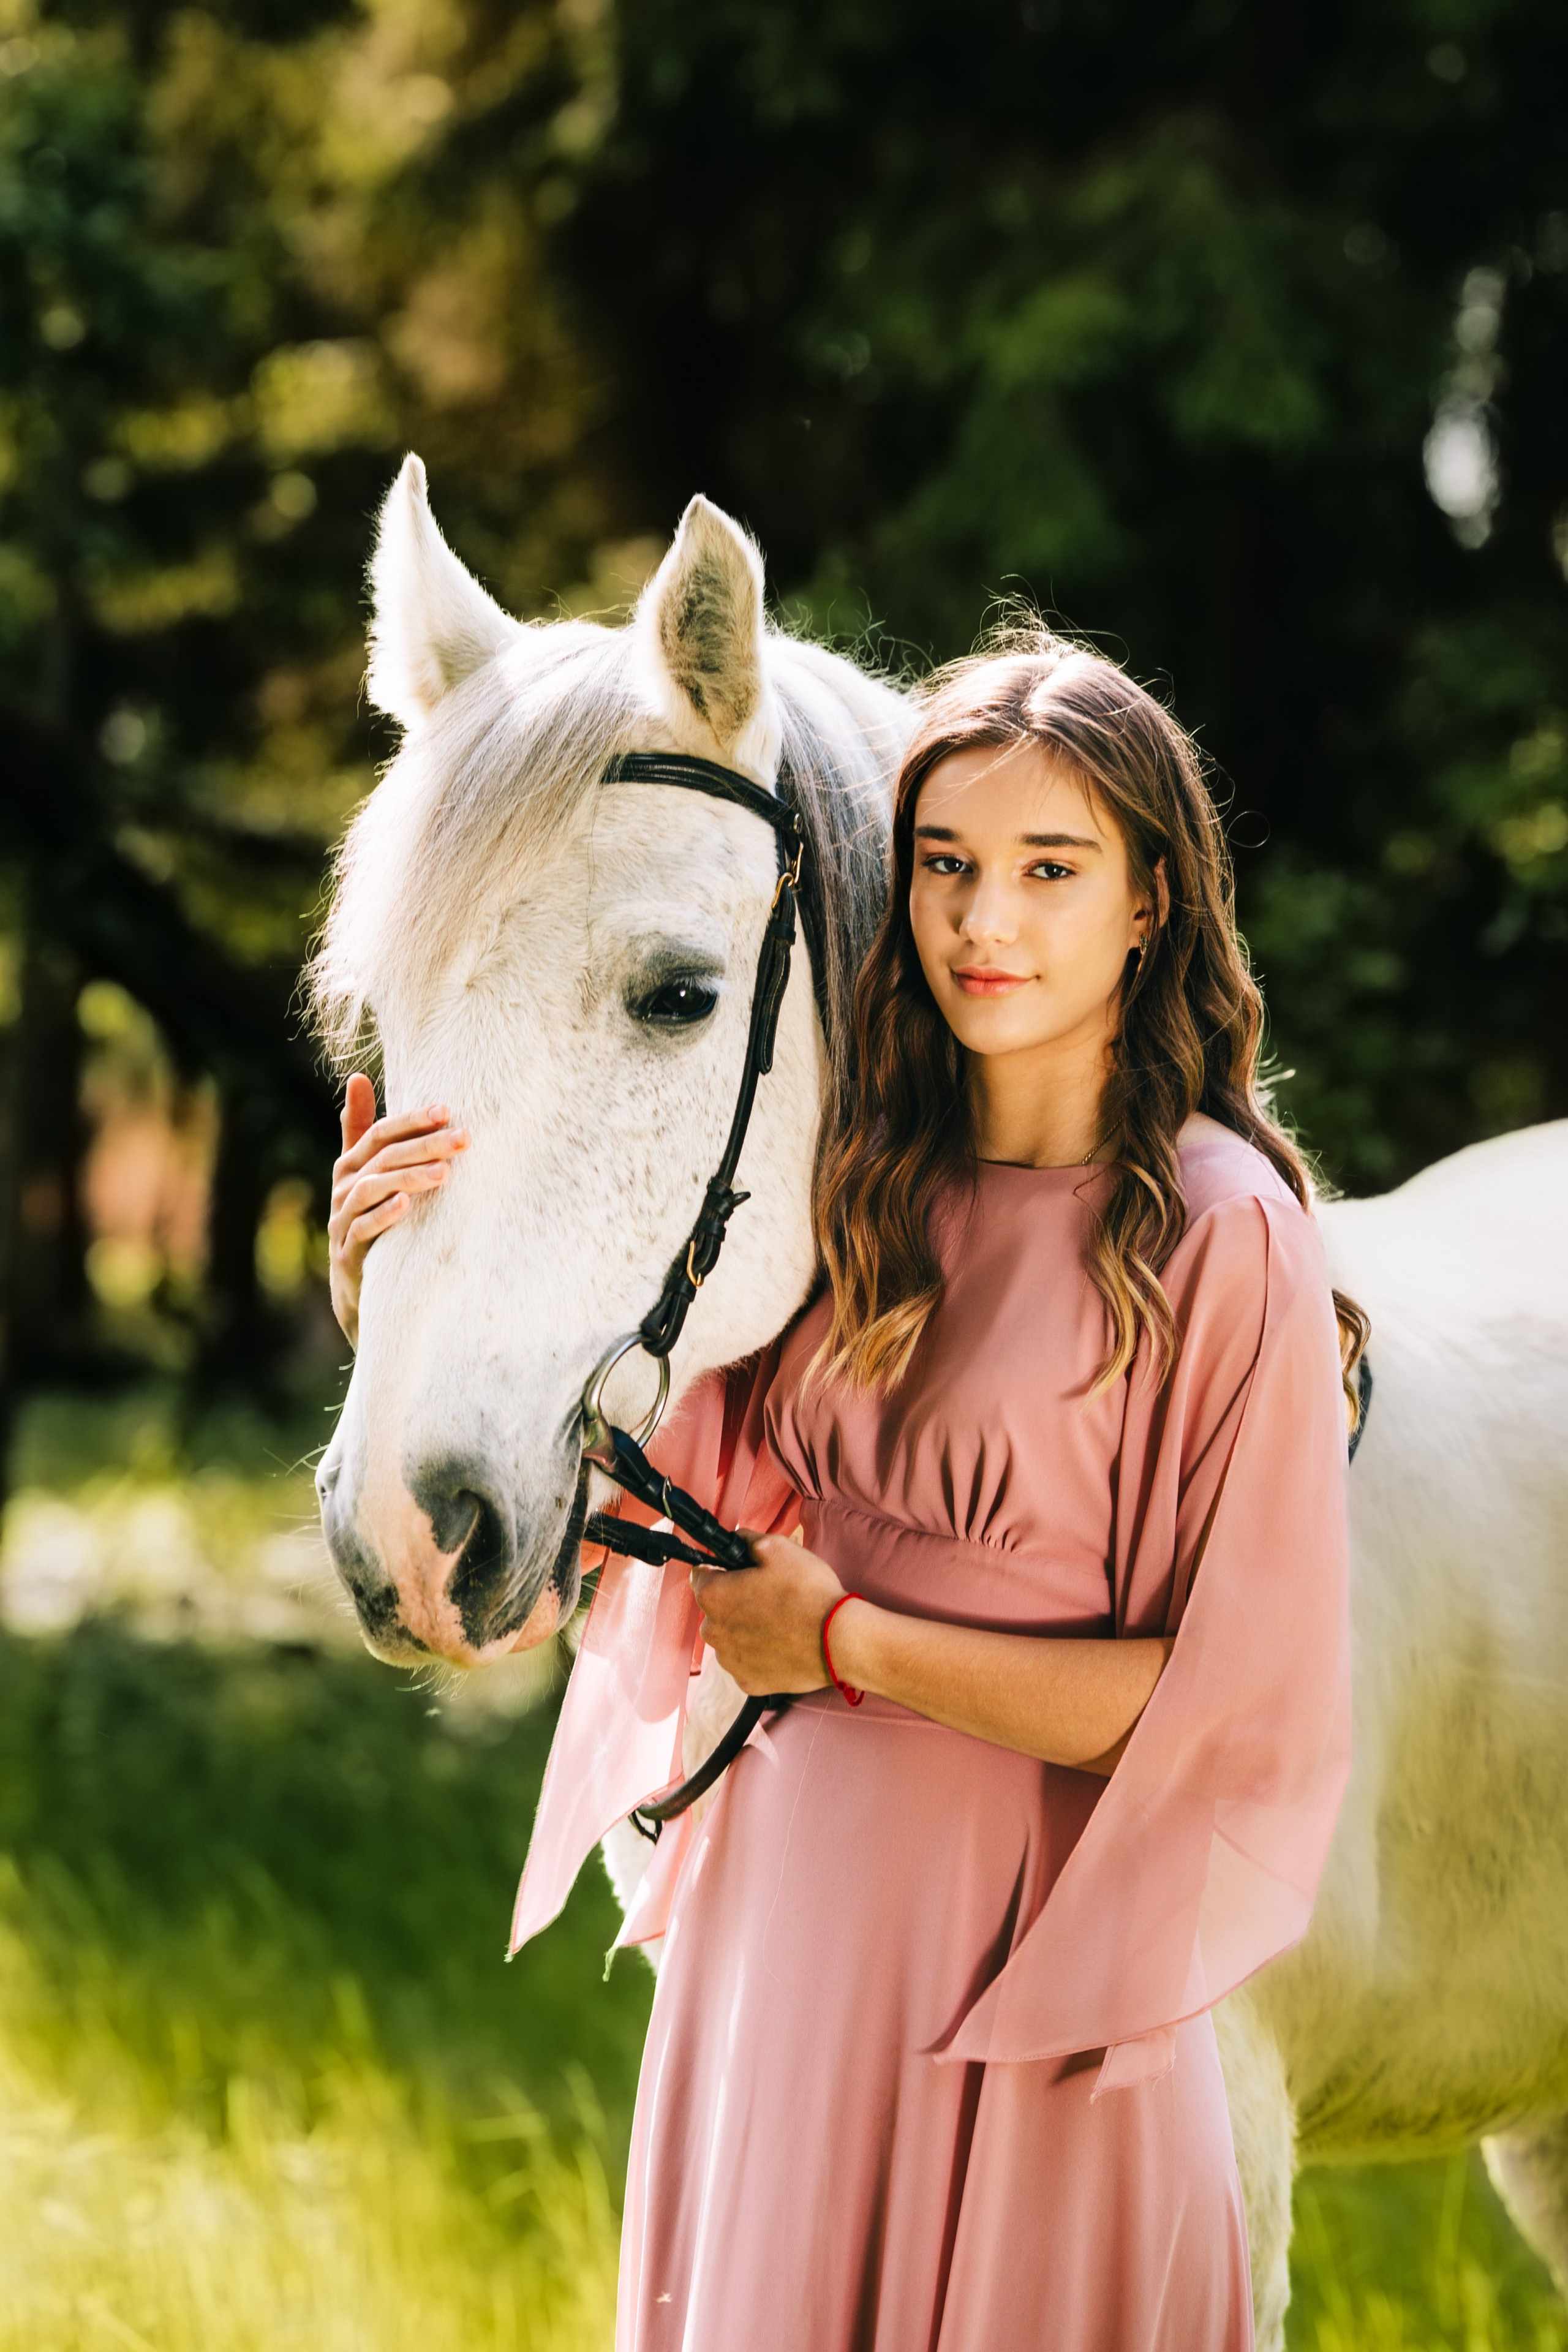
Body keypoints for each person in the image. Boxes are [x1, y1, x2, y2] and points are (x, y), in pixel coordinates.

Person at [330, 634, 1359, 2351]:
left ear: (1152, 902)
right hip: (785, 1951)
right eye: (945, 865)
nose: (982, 923)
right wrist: (396, 1295)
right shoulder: (852, 1205)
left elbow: (1223, 1718)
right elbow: (610, 1534)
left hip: (1033, 1983)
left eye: (1051, 870)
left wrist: (855, 1643)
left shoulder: (1221, 1228)